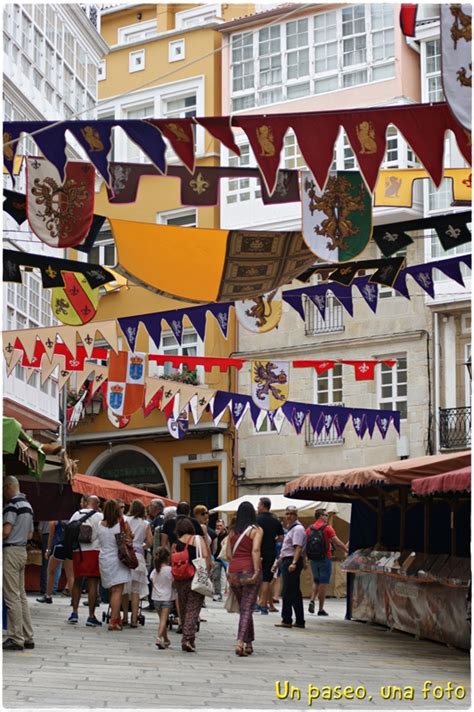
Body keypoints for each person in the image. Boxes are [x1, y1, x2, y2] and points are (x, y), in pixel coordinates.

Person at [3, 476, 35, 651]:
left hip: (11, 551)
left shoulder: (12, 506)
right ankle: (28, 635)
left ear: (8, 487)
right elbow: (30, 535)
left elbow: (5, 532)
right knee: (21, 595)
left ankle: (16, 638)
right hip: (22, 550)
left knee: (11, 596)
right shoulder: (28, 506)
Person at [227, 501, 263, 657]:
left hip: (234, 571)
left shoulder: (232, 531)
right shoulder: (256, 530)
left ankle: (249, 643)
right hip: (249, 569)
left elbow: (228, 554)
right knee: (247, 608)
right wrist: (256, 570)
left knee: (244, 607)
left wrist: (234, 566)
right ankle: (240, 641)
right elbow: (255, 550)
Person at [173, 516, 210, 652]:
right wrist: (206, 573)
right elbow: (205, 556)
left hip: (180, 578)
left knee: (183, 608)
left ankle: (189, 637)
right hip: (195, 577)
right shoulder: (197, 539)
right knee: (193, 608)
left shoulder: (177, 543)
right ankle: (187, 638)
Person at [67, 495, 103, 627]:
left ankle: (74, 613)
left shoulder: (76, 514)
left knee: (77, 581)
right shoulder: (100, 516)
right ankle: (91, 616)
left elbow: (69, 530)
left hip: (78, 552)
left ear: (86, 502)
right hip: (94, 551)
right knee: (93, 583)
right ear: (97, 504)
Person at [97, 499, 132, 631]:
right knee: (118, 590)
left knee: (113, 590)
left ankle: (115, 618)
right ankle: (114, 621)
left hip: (104, 558)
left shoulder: (100, 524)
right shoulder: (121, 524)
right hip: (118, 559)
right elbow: (128, 540)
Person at [306, 509, 348, 616]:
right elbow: (337, 542)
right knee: (323, 583)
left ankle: (312, 600)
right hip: (325, 558)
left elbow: (305, 543)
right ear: (321, 516)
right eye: (326, 515)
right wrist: (346, 550)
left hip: (313, 558)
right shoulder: (327, 528)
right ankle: (320, 609)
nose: (327, 517)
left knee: (316, 580)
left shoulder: (309, 529)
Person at [272, 505, 306, 629]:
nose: (288, 516)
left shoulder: (297, 529)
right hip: (288, 559)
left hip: (292, 560)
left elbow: (298, 547)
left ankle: (287, 619)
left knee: (287, 591)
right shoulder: (291, 529)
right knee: (295, 591)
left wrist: (294, 562)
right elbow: (287, 549)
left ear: (296, 515)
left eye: (291, 514)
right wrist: (278, 563)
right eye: (287, 514)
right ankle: (300, 620)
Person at [122, 499, 153, 627]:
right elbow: (150, 542)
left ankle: (124, 617)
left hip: (126, 554)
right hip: (138, 556)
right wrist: (142, 547)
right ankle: (134, 619)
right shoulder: (145, 523)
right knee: (135, 590)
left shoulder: (125, 520)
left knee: (124, 589)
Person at [256, 497, 284, 614]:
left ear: (263, 506)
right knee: (267, 579)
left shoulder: (255, 519)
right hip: (270, 552)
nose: (257, 507)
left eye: (258, 505)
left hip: (257, 551)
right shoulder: (275, 520)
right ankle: (263, 603)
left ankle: (258, 602)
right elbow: (281, 537)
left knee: (256, 577)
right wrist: (272, 540)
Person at [36, 520, 74, 603]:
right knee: (70, 574)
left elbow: (51, 536)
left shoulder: (54, 521)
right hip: (70, 548)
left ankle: (48, 595)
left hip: (58, 547)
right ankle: (74, 599)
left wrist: (48, 550)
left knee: (51, 571)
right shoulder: (71, 519)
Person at [150, 546, 176, 649]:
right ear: (168, 558)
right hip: (167, 598)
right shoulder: (170, 570)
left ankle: (166, 640)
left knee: (162, 620)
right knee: (163, 620)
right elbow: (173, 583)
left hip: (156, 598)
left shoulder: (155, 571)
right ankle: (159, 637)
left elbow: (152, 582)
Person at [212, 519, 228, 602]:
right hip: (217, 557)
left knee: (229, 576)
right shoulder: (215, 534)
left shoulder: (228, 534)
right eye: (217, 526)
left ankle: (232, 594)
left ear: (224, 526)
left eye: (220, 526)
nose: (218, 527)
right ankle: (218, 594)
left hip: (225, 558)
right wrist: (216, 536)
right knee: (216, 576)